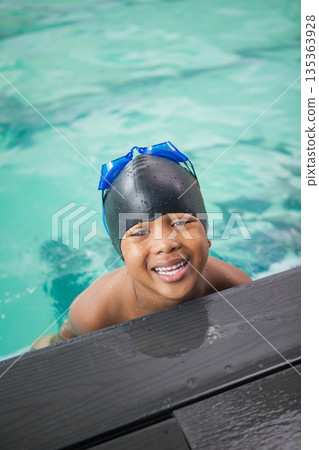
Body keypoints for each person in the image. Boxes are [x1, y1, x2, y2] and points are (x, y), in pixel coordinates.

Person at [32, 142, 251, 349]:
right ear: (121, 254)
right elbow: (55, 346)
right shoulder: (95, 312)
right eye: (140, 232)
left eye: (182, 223)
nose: (165, 244)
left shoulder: (234, 285)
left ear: (207, 237)